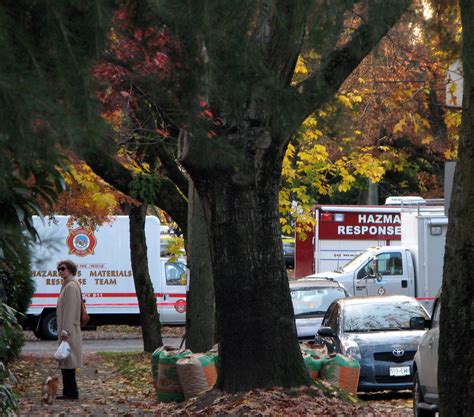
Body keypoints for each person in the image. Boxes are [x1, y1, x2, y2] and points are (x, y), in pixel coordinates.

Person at [56, 260, 82, 400]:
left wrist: (65, 330)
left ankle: (71, 392)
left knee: (68, 361)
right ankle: (68, 391)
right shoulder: (68, 285)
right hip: (68, 329)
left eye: (63, 269)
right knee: (66, 361)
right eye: (59, 269)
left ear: (70, 270)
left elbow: (70, 310)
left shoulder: (71, 286)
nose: (60, 271)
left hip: (68, 330)